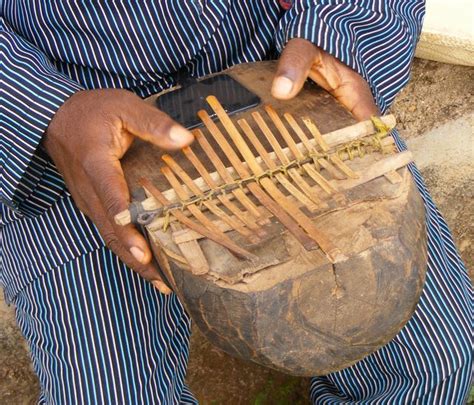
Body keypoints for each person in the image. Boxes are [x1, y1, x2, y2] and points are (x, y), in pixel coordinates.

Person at [1, 1, 472, 404]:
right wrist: (45, 113)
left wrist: (339, 27)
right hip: (68, 126)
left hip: (272, 66)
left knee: (435, 366)